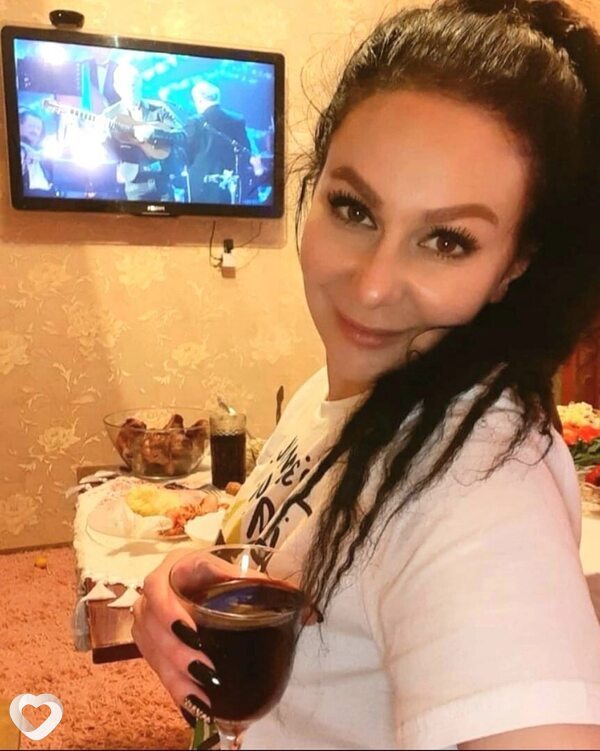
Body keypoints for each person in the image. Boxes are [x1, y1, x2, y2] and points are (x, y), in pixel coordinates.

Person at [132, 0, 600, 748]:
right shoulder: (347, 388)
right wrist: (197, 577)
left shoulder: (481, 480)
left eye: (447, 240)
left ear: (514, 265)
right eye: (354, 208)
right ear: (314, 183)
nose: (374, 286)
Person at [101, 62, 185, 201]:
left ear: (140, 84)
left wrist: (154, 132)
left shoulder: (158, 109)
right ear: (117, 88)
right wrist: (103, 139)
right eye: (126, 86)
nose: (131, 90)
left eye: (134, 85)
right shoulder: (109, 115)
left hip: (163, 179)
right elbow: (111, 153)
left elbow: (182, 134)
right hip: (135, 183)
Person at [185, 80, 253, 204]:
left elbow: (186, 155)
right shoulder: (237, 120)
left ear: (199, 100)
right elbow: (246, 151)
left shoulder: (194, 122)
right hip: (230, 188)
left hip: (201, 188)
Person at [19, 109, 56, 197]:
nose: (35, 131)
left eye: (38, 128)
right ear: (19, 125)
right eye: (31, 126)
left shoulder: (43, 155)